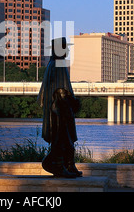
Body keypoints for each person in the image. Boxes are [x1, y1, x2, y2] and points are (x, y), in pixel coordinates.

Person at [37, 37, 82, 178]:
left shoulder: (52, 64)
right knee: (63, 139)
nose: (67, 50)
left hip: (60, 108)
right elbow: (61, 90)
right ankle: (58, 164)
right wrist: (73, 101)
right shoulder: (58, 64)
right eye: (65, 47)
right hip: (60, 110)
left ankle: (69, 165)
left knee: (67, 138)